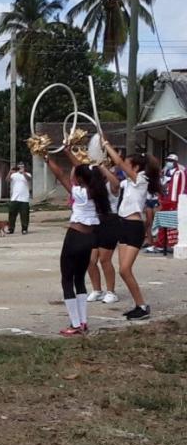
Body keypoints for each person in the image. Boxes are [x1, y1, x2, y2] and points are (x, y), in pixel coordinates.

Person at [45, 149, 110, 335]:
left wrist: (47, 158)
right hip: (90, 238)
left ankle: (74, 324)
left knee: (66, 279)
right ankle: (82, 322)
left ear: (81, 179)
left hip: (75, 236)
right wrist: (67, 151)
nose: (73, 174)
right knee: (79, 279)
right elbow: (81, 170)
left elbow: (61, 174)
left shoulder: (79, 192)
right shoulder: (97, 190)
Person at [104, 142, 162, 320]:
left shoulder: (141, 179)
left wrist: (107, 145)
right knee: (124, 270)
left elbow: (120, 164)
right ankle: (139, 305)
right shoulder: (129, 182)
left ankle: (142, 305)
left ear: (136, 167)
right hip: (123, 225)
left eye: (128, 165)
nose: (124, 167)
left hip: (134, 228)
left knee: (124, 269)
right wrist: (100, 166)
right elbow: (114, 180)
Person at [87, 163, 122, 304]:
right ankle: (97, 290)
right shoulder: (94, 188)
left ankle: (111, 292)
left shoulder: (111, 187)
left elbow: (116, 183)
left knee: (105, 259)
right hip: (96, 222)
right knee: (90, 260)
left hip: (111, 222)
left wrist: (103, 167)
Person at [147, 153, 185, 253]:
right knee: (161, 224)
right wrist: (160, 197)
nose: (169, 162)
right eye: (168, 160)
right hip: (164, 200)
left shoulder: (180, 172)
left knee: (173, 225)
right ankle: (160, 244)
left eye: (171, 161)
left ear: (176, 162)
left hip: (174, 201)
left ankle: (171, 245)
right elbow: (162, 185)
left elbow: (182, 188)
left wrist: (179, 202)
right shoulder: (165, 171)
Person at [7, 163, 31, 235]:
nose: (21, 168)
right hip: (14, 198)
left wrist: (23, 173)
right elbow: (7, 180)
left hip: (24, 199)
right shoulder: (14, 175)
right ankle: (11, 229)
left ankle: (24, 229)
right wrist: (10, 172)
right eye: (19, 167)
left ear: (24, 167)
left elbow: (29, 179)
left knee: (24, 215)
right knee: (12, 214)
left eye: (22, 166)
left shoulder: (28, 174)